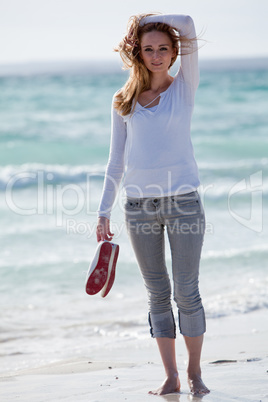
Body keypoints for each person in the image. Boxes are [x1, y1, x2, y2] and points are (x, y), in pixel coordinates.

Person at [96, 12, 210, 396]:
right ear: (138, 54)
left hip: (184, 203)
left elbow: (189, 23)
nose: (156, 55)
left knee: (186, 291)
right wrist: (102, 210)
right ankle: (171, 375)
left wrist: (144, 20)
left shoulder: (184, 88)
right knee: (157, 294)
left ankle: (194, 373)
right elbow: (116, 161)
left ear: (175, 52)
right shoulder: (123, 101)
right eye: (148, 49)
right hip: (138, 208)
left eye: (163, 48)